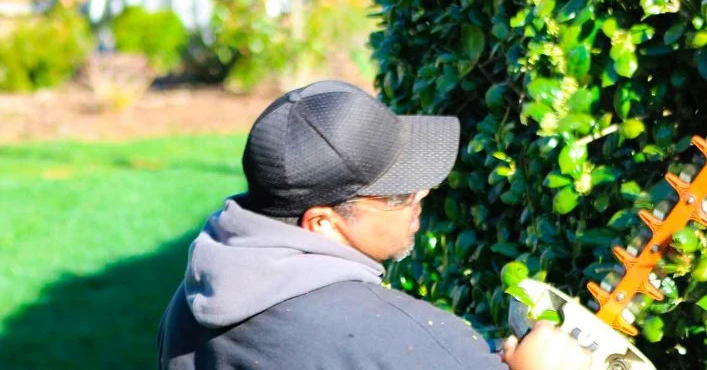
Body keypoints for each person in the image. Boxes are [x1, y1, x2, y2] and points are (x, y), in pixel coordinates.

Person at [156, 80, 592, 369]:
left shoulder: (191, 307)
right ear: (322, 222)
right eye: (398, 194)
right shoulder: (406, 342)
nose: (421, 195)